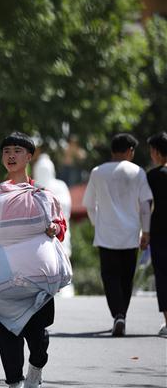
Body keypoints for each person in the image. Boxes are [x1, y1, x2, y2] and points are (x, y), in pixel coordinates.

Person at [0, 132, 69, 388]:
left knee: (39, 337)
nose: (11, 155)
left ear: (29, 156)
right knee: (6, 335)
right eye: (6, 151)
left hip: (36, 283)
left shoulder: (41, 194)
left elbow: (60, 225)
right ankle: (14, 381)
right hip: (1, 282)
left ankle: (36, 366)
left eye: (17, 150)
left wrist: (55, 230)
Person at [82, 133, 153, 336]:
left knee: (110, 276)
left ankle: (118, 315)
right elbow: (145, 205)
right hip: (130, 234)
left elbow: (89, 204)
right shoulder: (138, 172)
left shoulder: (98, 172)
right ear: (130, 151)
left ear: (113, 150)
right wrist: (146, 232)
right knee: (126, 278)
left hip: (106, 235)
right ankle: (121, 315)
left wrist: (98, 223)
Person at [33, 151, 74, 297]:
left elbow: (66, 205)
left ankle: (63, 284)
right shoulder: (32, 186)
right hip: (39, 232)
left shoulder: (59, 185)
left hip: (56, 228)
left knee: (60, 258)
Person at [146, 132, 167, 336]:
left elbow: (145, 205)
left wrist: (144, 232)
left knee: (162, 274)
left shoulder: (153, 176)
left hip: (160, 229)